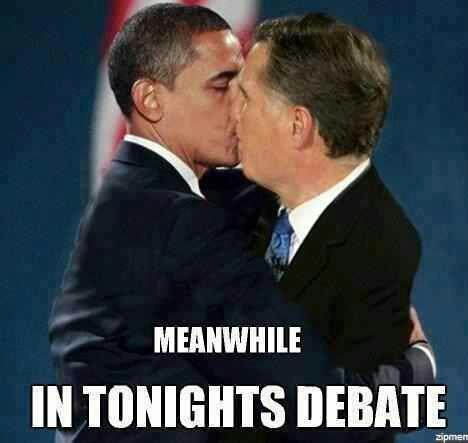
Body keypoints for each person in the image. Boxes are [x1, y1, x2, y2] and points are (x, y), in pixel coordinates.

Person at [49, 5, 434, 443]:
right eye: (220, 87)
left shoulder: (151, 191)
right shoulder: (180, 224)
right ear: (151, 100)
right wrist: (418, 370)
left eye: (244, 90)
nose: (237, 108)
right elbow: (314, 406)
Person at [218, 11, 436, 442]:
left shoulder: (379, 246)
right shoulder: (243, 206)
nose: (233, 114)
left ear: (298, 126)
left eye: (246, 98)